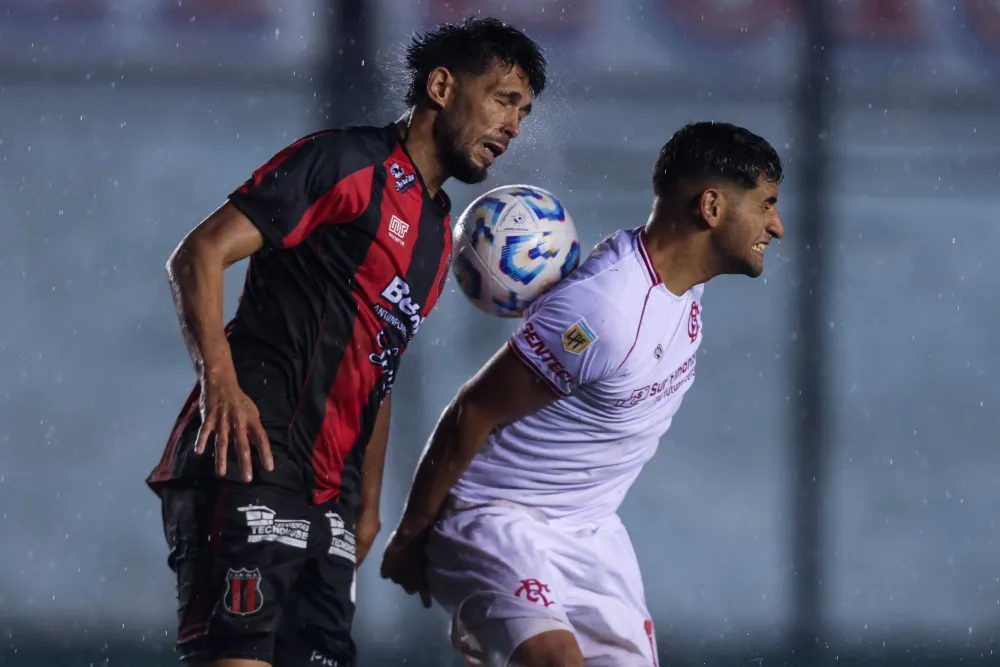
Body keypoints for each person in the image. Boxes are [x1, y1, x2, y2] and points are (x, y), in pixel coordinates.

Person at [145, 16, 546, 667]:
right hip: (251, 462)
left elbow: (378, 364)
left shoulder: (437, 237)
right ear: (442, 86)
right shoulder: (346, 163)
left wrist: (367, 503)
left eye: (524, 112)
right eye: (504, 100)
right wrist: (219, 382)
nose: (514, 127)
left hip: (330, 498)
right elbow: (199, 254)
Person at [381, 121, 785, 667]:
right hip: (497, 517)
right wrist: (412, 537)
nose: (776, 226)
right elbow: (471, 412)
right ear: (711, 207)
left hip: (592, 532)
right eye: (766, 204)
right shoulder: (605, 311)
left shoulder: (681, 285)